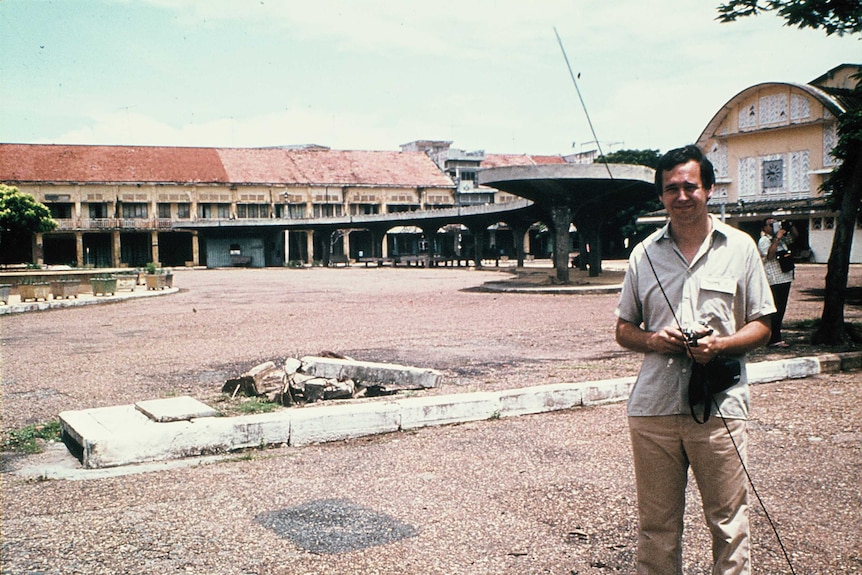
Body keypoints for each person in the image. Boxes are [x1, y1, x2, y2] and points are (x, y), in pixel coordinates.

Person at [614, 145, 776, 575]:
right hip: (654, 409)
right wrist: (654, 340)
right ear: (661, 196)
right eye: (671, 189)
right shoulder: (642, 254)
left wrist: (720, 346)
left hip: (720, 406)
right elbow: (623, 330)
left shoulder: (740, 248)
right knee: (657, 528)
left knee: (728, 523)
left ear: (708, 189)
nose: (681, 196)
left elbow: (763, 325)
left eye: (690, 186)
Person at [758, 218, 797, 347]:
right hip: (773, 280)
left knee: (782, 309)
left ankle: (775, 337)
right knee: (775, 310)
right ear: (765, 227)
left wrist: (789, 226)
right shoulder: (764, 241)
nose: (774, 226)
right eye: (771, 224)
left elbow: (795, 238)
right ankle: (773, 339)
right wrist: (777, 239)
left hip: (785, 277)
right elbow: (769, 256)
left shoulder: (782, 240)